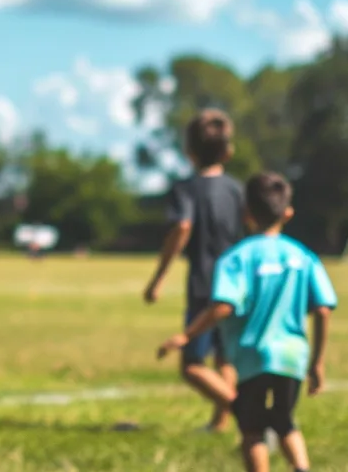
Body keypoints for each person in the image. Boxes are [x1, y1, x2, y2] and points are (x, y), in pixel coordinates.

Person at [158, 171, 337, 472]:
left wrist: (188, 336)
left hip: (252, 356)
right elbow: (322, 310)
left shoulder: (236, 258)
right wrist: (317, 363)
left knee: (252, 431)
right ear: (288, 213)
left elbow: (223, 307)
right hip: (293, 357)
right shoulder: (303, 256)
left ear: (246, 213)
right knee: (284, 422)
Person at [143, 108, 243, 431]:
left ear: (188, 152)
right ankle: (220, 423)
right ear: (228, 151)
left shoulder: (185, 189)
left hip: (205, 285)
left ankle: (248, 414)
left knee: (191, 365)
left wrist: (158, 278)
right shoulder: (237, 190)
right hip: (238, 286)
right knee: (225, 358)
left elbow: (182, 227)